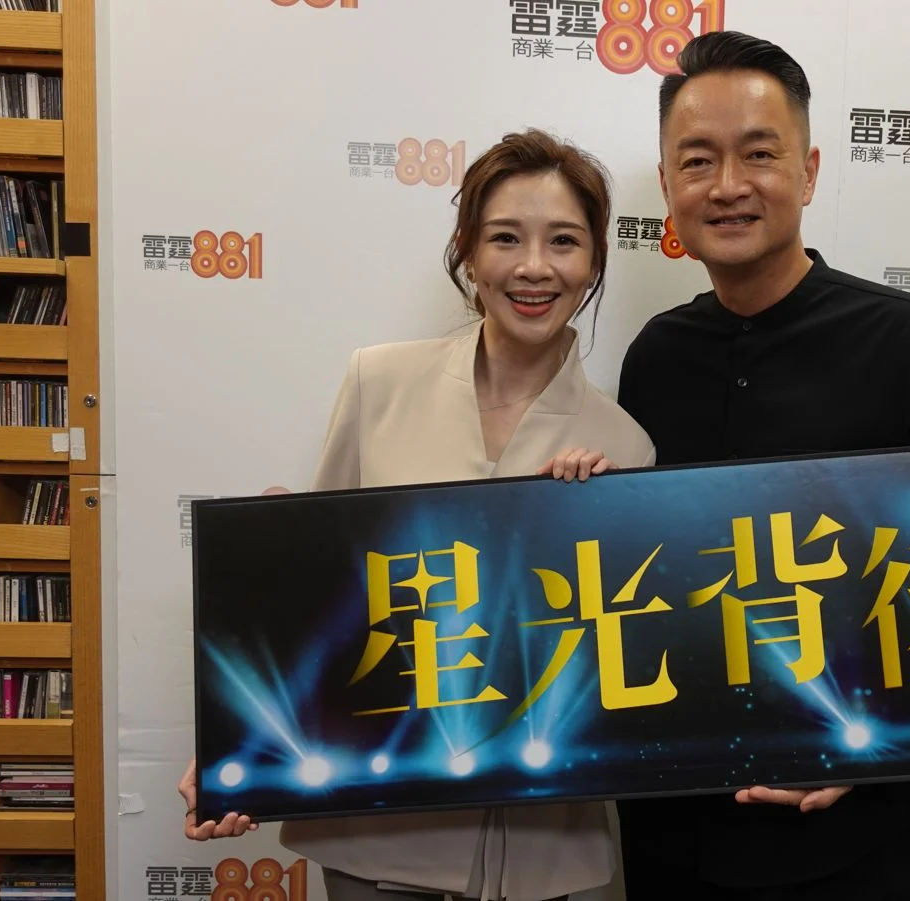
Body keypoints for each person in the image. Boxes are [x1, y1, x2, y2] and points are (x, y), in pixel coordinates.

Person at [176, 128, 656, 901]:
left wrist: (587, 529)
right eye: (506, 237)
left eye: (564, 240)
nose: (535, 266)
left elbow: (619, 676)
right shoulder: (380, 382)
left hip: (547, 844)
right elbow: (318, 606)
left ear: (596, 260)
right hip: (376, 824)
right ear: (468, 250)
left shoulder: (624, 444)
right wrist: (240, 743)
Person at [612, 31, 910, 901]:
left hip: (845, 835)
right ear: (670, 185)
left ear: (811, 170)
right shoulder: (654, 357)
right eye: (697, 160)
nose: (728, 185)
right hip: (673, 827)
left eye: (759, 153)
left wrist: (882, 752)